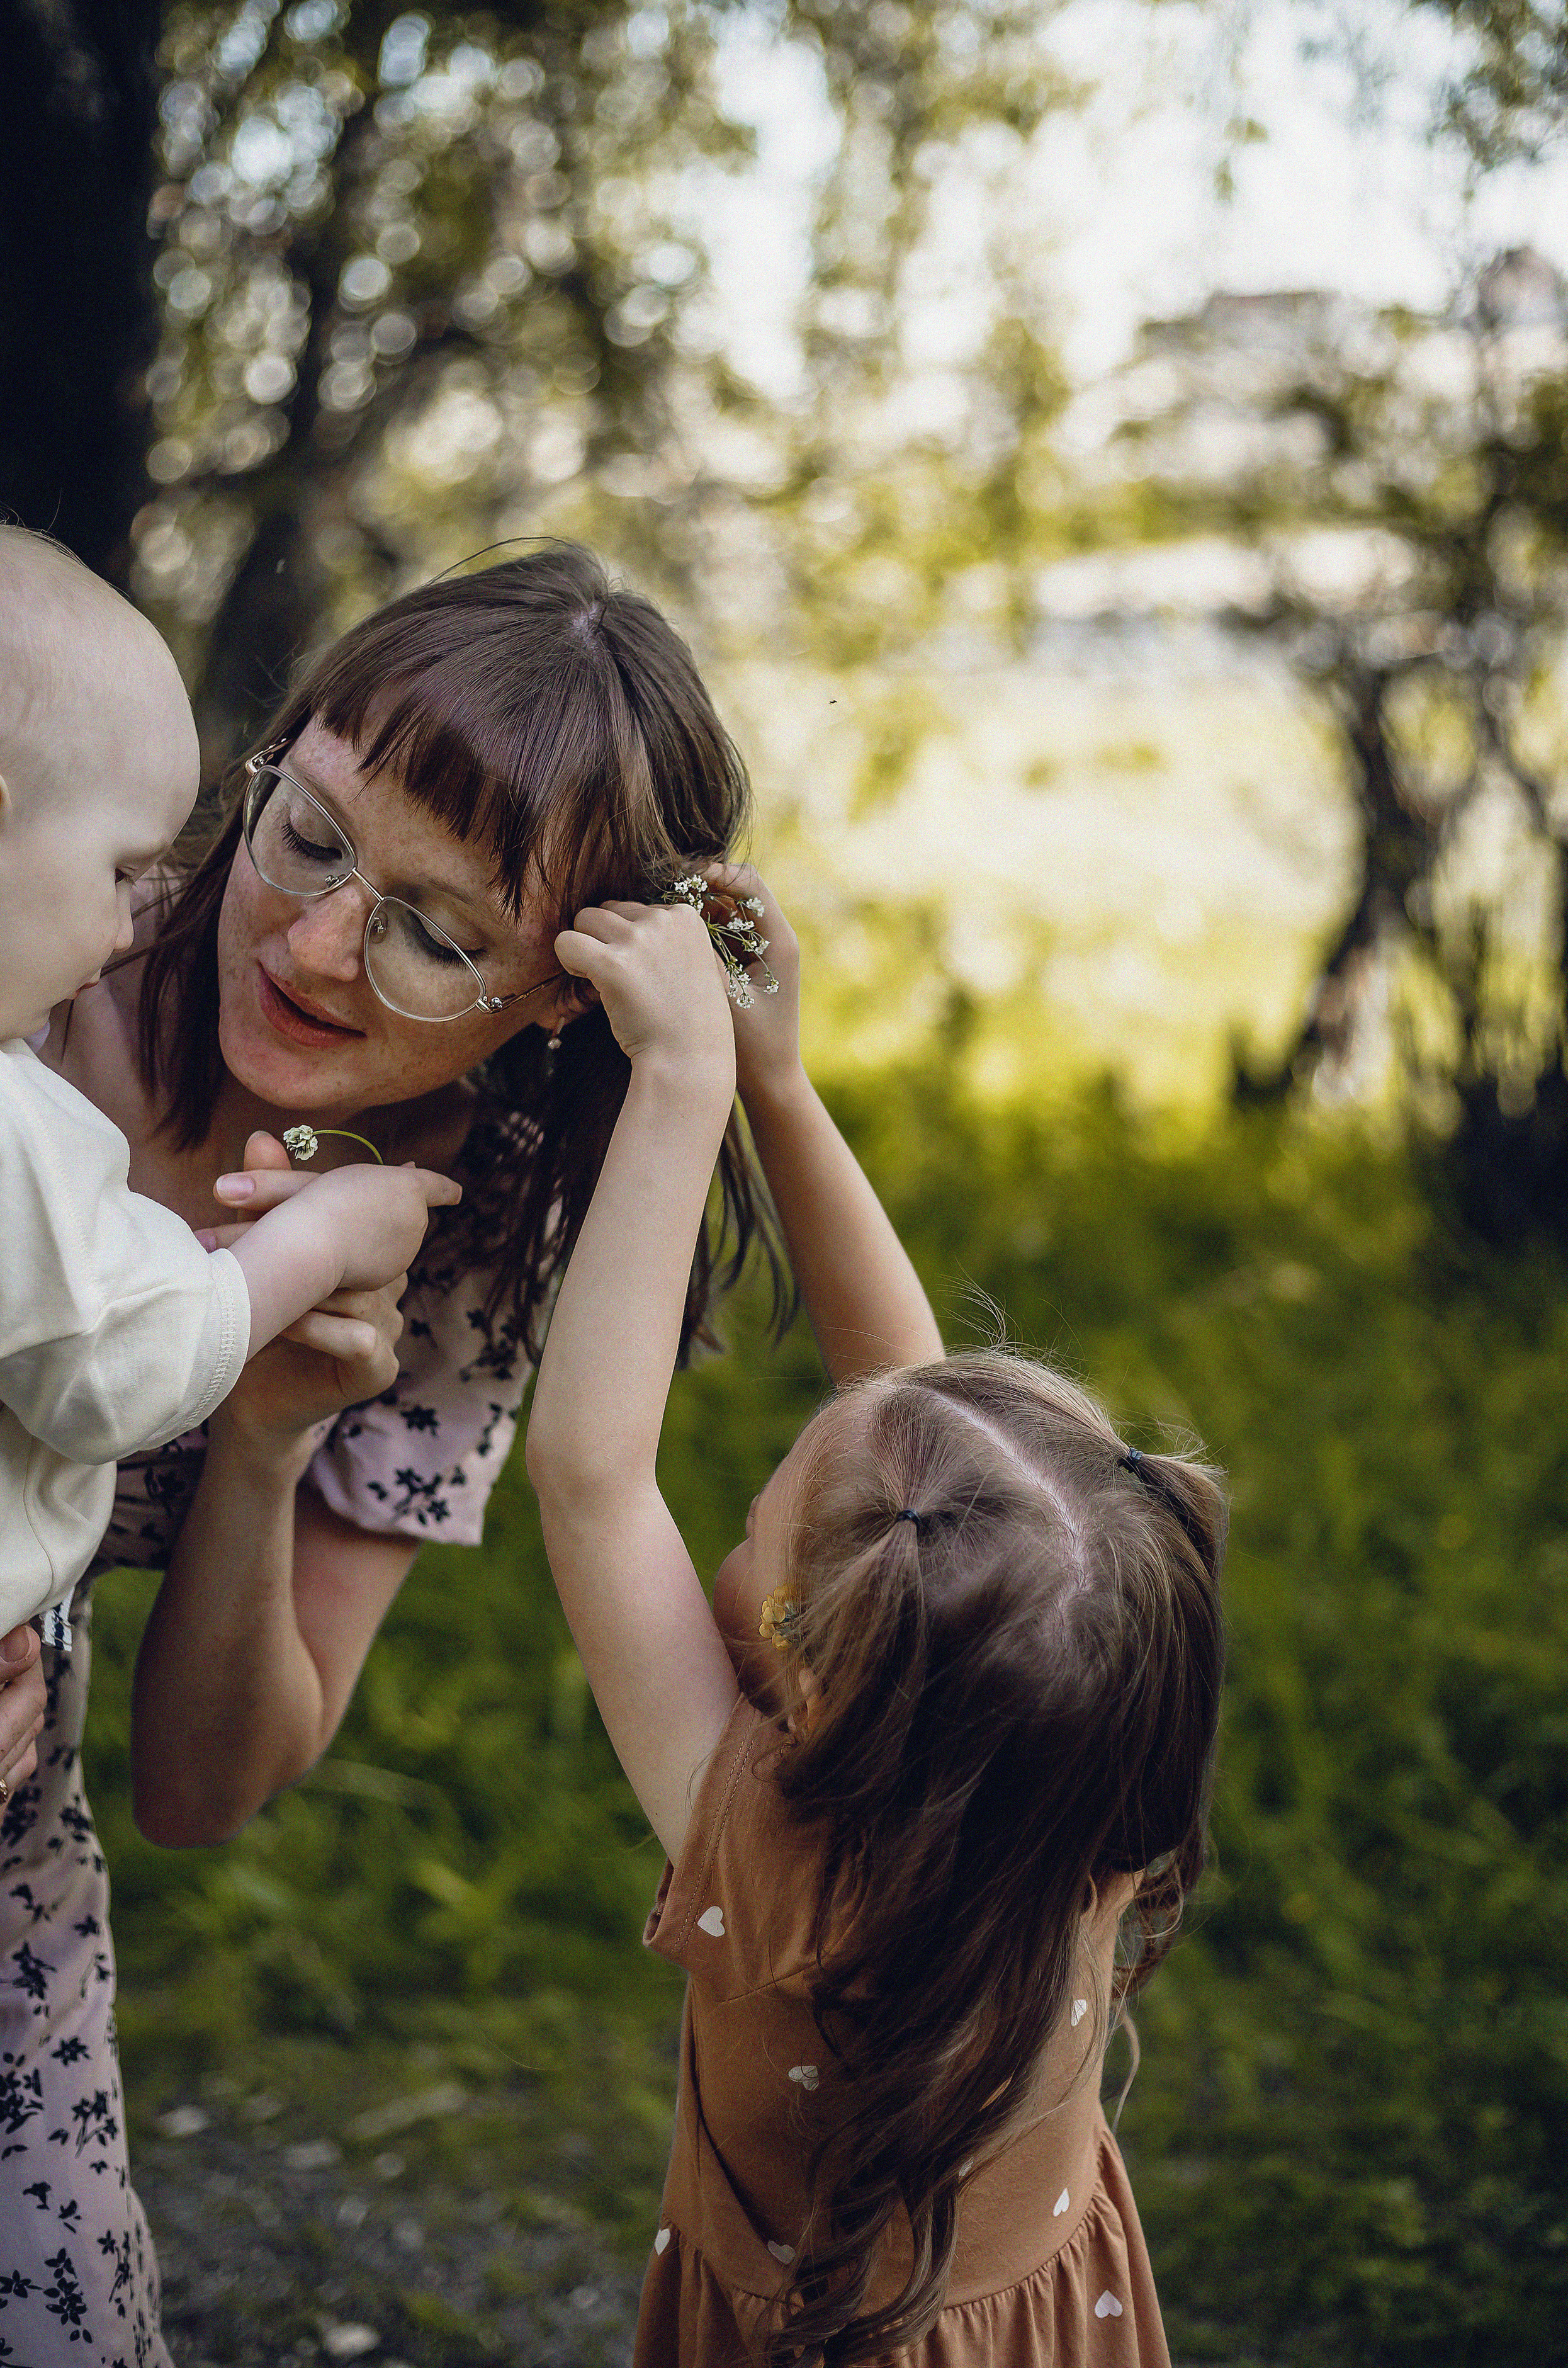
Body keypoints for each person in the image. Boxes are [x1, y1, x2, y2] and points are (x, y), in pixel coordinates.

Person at [0, 543, 772, 2362]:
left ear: (557, 992)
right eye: (308, 836)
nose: (314, 946)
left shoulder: (458, 1247)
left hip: (1, 1886)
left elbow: (203, 1791)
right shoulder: (17, 956)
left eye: (437, 932)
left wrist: (259, 1444)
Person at [525, 878, 1227, 2365]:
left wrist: (683, 1083)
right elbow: (906, 1422)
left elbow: (592, 1481)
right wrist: (777, 1081)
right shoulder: (1071, 1799)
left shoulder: (786, 1864)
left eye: (745, 1532)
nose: (723, 1536)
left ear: (810, 1678)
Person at [0, 522, 460, 1923]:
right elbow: (116, 1354)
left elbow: (203, 1793)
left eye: (437, 931)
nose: (133, 925)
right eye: (122, 872)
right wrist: (321, 1239)